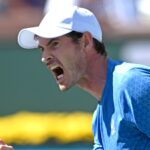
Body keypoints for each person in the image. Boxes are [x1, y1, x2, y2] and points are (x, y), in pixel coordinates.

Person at [17, 5, 150, 150]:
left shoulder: (133, 84)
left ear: (85, 41)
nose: (44, 58)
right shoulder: (99, 119)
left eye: (54, 44)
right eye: (42, 49)